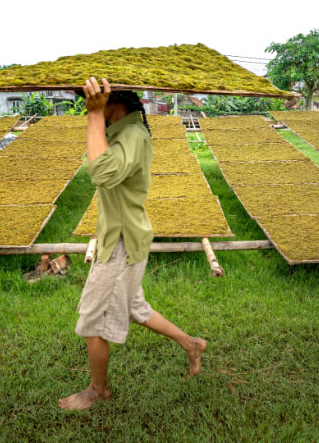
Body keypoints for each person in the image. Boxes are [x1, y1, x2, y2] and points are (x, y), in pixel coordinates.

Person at [58, 77, 207, 411]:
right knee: (135, 307)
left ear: (114, 99)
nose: (87, 105)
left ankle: (98, 391)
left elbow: (101, 173)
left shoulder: (133, 135)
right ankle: (191, 344)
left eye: (92, 98)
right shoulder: (121, 132)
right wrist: (97, 116)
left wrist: (94, 114)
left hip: (122, 243)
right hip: (120, 237)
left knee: (93, 321)